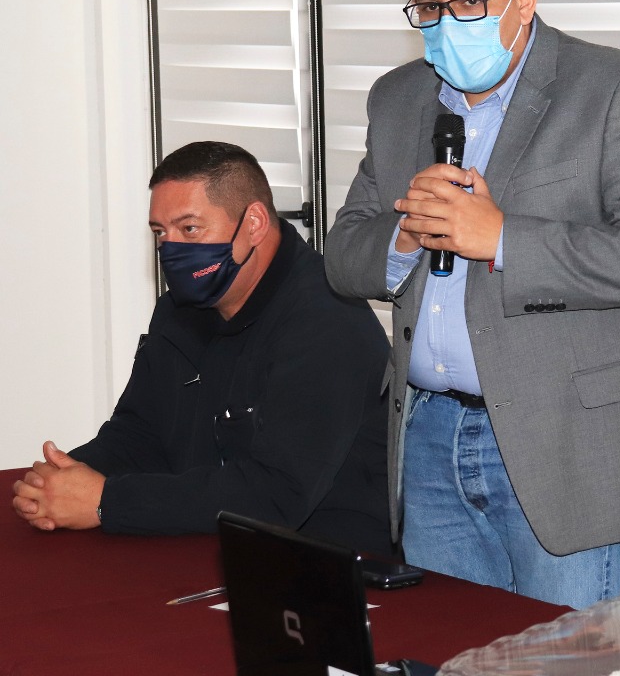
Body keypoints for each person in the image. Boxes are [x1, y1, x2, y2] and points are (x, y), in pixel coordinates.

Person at [324, 0, 620, 608]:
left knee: (563, 653)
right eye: (430, 7)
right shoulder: (397, 99)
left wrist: (502, 237)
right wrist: (406, 233)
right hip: (429, 434)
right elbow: (344, 257)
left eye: (470, 1)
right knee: (453, 648)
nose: (449, 23)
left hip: (564, 440)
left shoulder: (614, 88)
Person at [11, 141, 392, 555]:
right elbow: (140, 433)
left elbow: (276, 493)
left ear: (254, 224)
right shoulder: (181, 310)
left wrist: (108, 502)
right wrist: (63, 480)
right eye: (160, 233)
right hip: (200, 544)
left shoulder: (326, 321)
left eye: (189, 229)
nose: (170, 249)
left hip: (322, 565)